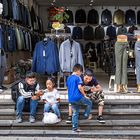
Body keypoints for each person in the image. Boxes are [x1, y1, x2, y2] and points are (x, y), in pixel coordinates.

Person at [66, 64, 92, 132]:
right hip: (78, 97)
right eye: (81, 72)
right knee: (89, 103)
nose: (81, 74)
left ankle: (74, 128)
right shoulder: (78, 77)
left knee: (75, 113)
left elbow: (68, 88)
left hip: (70, 99)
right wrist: (84, 95)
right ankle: (86, 115)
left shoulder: (68, 78)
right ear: (78, 71)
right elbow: (80, 87)